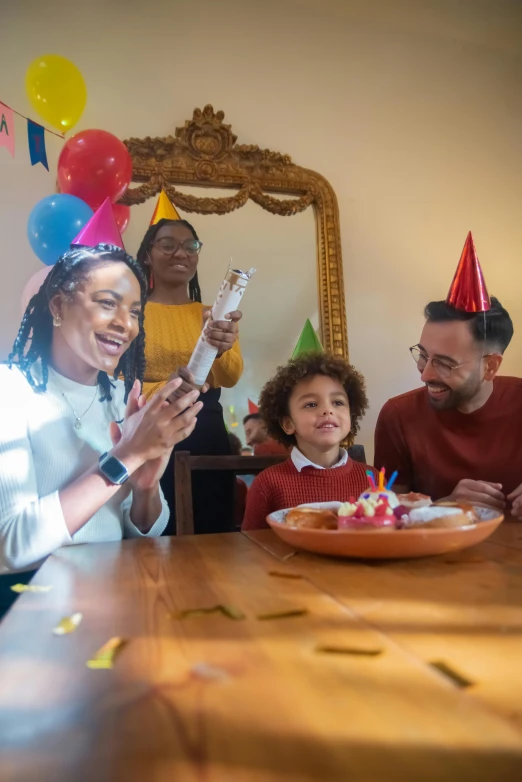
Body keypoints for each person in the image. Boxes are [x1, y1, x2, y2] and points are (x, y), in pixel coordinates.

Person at [0, 244, 202, 617]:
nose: (125, 324)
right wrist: (125, 456)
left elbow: (142, 531)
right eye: (108, 303)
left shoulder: (122, 400)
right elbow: (11, 546)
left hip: (113, 593)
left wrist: (144, 488)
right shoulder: (9, 389)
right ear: (58, 307)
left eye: (135, 312)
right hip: (26, 606)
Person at [136, 215, 243, 535]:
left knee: (214, 534)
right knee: (155, 537)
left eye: (190, 246)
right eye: (167, 245)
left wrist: (222, 349)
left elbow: (232, 375)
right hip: (149, 429)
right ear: (147, 255)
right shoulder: (132, 311)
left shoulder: (214, 313)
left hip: (208, 432)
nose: (180, 253)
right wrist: (161, 389)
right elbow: (112, 379)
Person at [374, 296, 522, 517]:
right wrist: (443, 507)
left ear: (490, 366)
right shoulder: (398, 416)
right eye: (423, 355)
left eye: (444, 363)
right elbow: (382, 515)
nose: (425, 374)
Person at [241, 353, 377, 530]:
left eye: (337, 402)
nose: (328, 410)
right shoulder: (268, 483)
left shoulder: (373, 479)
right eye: (311, 404)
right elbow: (251, 547)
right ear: (288, 424)